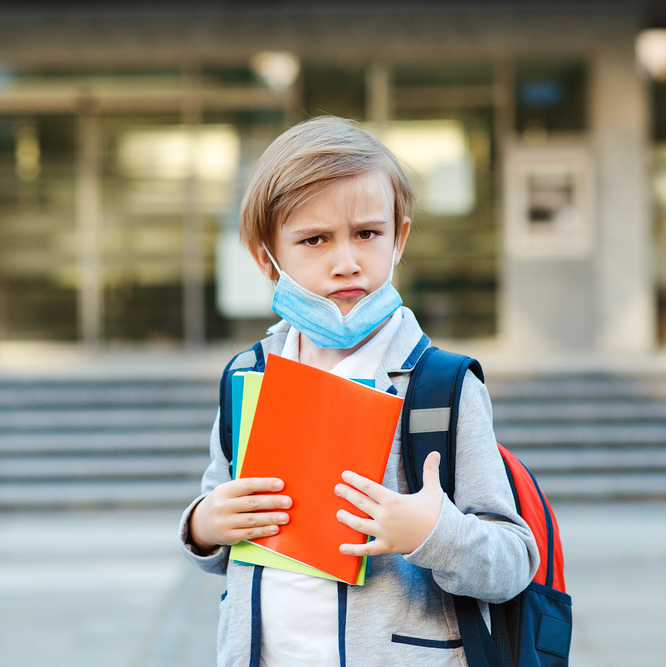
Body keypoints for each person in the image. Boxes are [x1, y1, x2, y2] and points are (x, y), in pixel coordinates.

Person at [178, 116, 539, 667]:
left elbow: (514, 561)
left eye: (367, 234)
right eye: (314, 239)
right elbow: (223, 535)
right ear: (265, 257)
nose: (346, 262)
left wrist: (431, 532)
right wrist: (205, 526)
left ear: (400, 239)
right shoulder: (249, 376)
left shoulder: (440, 387)